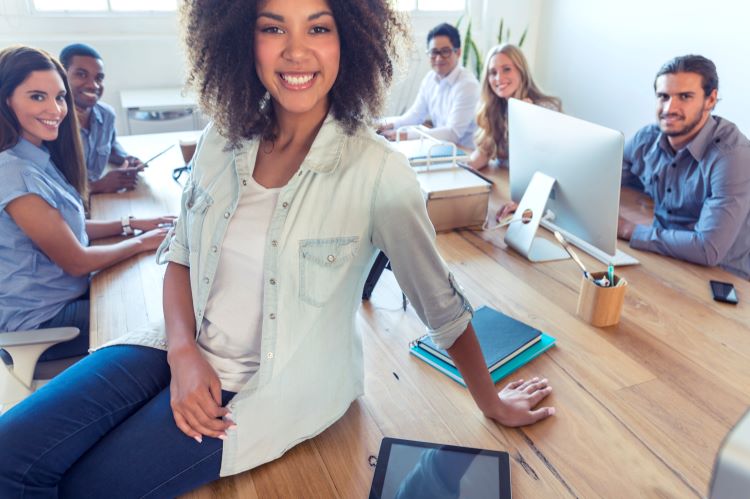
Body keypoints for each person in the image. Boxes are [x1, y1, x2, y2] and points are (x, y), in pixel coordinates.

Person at [0, 2, 554, 497]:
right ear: (243, 36)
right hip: (173, 346)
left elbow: (442, 306)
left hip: (260, 389)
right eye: (272, 27)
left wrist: (492, 403)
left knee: (84, 487)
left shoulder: (378, 172)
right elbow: (182, 252)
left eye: (318, 26)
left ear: (352, 39)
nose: (295, 50)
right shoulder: (222, 137)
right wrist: (182, 354)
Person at [0, 46, 172, 361]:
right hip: (42, 323)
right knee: (158, 318)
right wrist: (142, 242)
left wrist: (130, 225)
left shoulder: (35, 155)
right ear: (6, 99)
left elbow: (65, 228)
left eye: (59, 97)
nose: (55, 110)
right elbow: (77, 261)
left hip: (66, 298)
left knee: (154, 292)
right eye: (37, 96)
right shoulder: (13, 173)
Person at [618, 55, 750, 278]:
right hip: (663, 257)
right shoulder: (647, 140)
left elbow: (708, 249)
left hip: (722, 276)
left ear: (710, 100)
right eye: (663, 96)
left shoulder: (732, 156)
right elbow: (603, 175)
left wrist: (627, 229)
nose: (670, 108)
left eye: (685, 97)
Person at [377, 22, 480, 150]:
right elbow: (416, 115)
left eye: (445, 52)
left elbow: (452, 133)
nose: (438, 58)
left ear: (458, 53)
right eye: (434, 52)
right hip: (442, 148)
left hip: (464, 153)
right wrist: (388, 125)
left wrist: (403, 135)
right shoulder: (430, 79)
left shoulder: (467, 85)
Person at [59, 43, 143, 194]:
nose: (93, 85)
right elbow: (51, 191)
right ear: (61, 76)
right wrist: (98, 186)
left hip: (99, 202)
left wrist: (127, 159)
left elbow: (110, 146)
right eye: (82, 74)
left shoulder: (106, 115)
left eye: (99, 78)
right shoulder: (53, 123)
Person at [467, 43, 561, 171]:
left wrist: (524, 122)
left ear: (521, 71)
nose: (499, 78)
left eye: (506, 69)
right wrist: (459, 171)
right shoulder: (496, 107)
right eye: (493, 72)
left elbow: (541, 164)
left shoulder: (544, 108)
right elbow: (483, 153)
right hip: (506, 181)